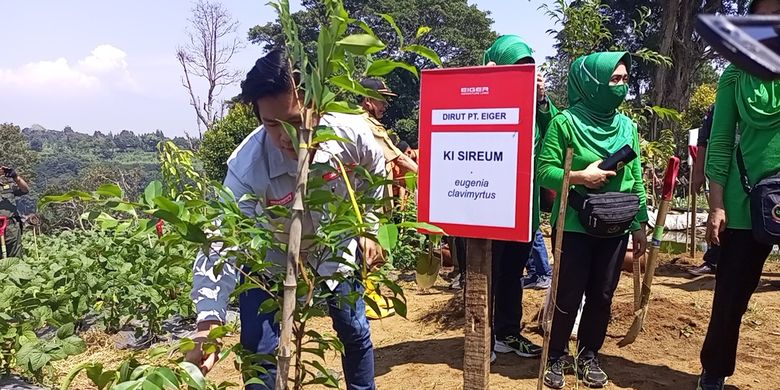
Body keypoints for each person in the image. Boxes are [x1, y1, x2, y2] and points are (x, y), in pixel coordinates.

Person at [186, 49, 384, 390]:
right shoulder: (248, 165)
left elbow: (374, 171)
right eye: (271, 124)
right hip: (269, 264)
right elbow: (222, 237)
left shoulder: (351, 135)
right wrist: (209, 321)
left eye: (295, 122)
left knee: (354, 330)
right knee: (259, 351)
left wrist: (368, 228)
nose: (284, 137)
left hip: (333, 251)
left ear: (316, 106)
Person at [538, 52, 648, 389]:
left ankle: (589, 354)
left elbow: (638, 179)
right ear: (592, 82)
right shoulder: (565, 123)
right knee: (568, 294)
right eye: (614, 79)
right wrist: (580, 177)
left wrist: (640, 223)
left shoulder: (627, 126)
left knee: (602, 295)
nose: (621, 86)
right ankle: (557, 355)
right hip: (574, 225)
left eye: (625, 79)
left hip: (616, 224)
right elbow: (544, 172)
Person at [698, 1, 780, 388]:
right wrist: (716, 205)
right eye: (766, 14)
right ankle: (713, 372)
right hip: (744, 202)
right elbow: (718, 145)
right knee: (731, 295)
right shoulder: (733, 76)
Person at [482, 35, 559, 362]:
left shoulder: (533, 107)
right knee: (485, 274)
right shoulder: (481, 95)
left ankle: (507, 334)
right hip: (487, 206)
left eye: (529, 69)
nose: (524, 75)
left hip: (522, 211)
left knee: (511, 274)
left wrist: (541, 102)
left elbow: (556, 129)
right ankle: (482, 337)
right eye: (516, 68)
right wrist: (487, 81)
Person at [689, 105, 721, 276]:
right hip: (720, 173)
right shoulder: (717, 108)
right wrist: (699, 171)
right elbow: (703, 140)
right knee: (717, 215)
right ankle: (713, 261)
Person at [0, 165, 29, 258]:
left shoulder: (7, 185)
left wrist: (16, 177)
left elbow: (25, 190)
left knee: (15, 258)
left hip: (11, 227)